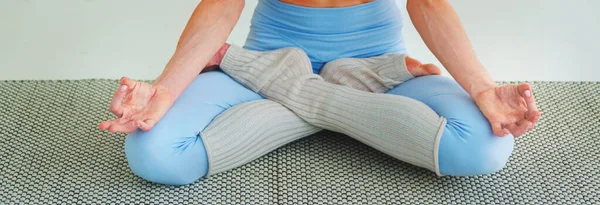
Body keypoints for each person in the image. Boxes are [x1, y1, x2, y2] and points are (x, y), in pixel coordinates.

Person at [98, 0, 541, 186]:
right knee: (154, 153)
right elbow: (220, 5)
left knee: (484, 151)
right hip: (269, 58)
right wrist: (163, 91)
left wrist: (483, 89)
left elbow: (427, 4)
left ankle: (292, 84)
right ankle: (331, 92)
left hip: (376, 69)